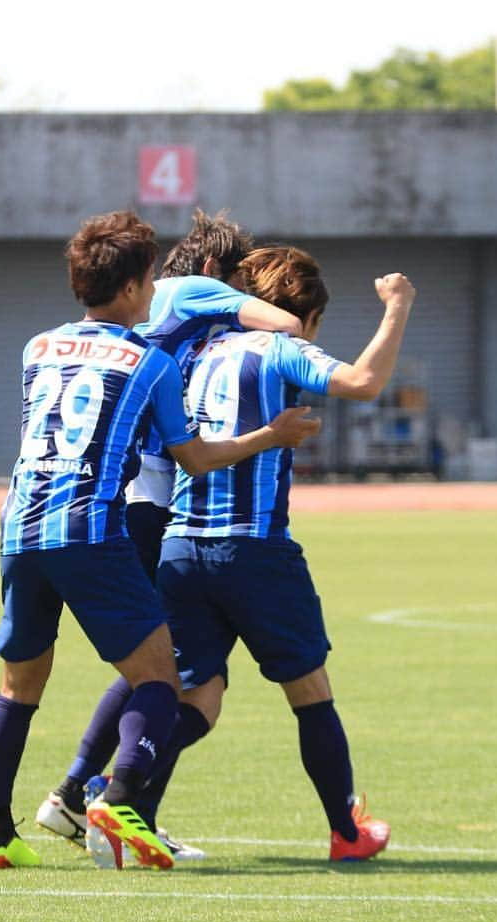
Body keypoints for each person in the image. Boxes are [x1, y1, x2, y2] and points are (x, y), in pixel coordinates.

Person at [0, 210, 320, 869]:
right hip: (91, 528)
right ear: (138, 285)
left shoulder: (37, 347)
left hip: (20, 526)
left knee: (19, 686)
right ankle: (119, 798)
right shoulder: (151, 363)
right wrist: (269, 436)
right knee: (162, 674)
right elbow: (192, 457)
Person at [148, 245, 414, 860]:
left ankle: (123, 792)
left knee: (199, 699)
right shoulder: (281, 348)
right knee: (310, 691)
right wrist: (398, 307)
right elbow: (363, 383)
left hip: (181, 547)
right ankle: (347, 834)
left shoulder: (196, 351)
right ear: (308, 316)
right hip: (254, 551)